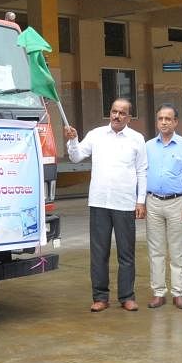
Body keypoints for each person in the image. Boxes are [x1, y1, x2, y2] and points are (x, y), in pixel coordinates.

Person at [65, 98, 147, 313]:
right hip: (99, 202)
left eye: (122, 113)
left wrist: (141, 201)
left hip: (125, 203)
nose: (117, 116)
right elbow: (76, 157)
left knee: (126, 253)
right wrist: (73, 140)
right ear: (109, 113)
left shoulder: (137, 139)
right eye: (113, 111)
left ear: (129, 117)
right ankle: (100, 297)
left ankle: (127, 296)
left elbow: (142, 171)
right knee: (99, 252)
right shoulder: (96, 135)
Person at [144, 104, 182, 309]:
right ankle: (158, 293)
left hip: (178, 202)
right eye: (160, 119)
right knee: (155, 250)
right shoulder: (147, 146)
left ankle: (179, 293)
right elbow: (140, 174)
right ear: (157, 122)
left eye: (168, 119)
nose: (164, 122)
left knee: (177, 250)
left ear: (176, 122)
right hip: (154, 202)